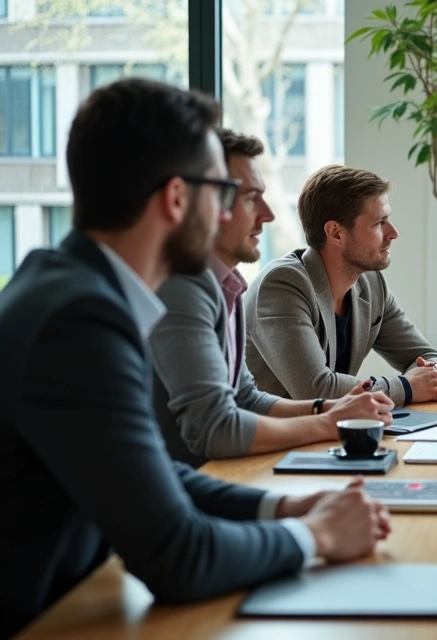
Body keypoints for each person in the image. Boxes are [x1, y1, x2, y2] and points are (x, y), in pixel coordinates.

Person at [0, 78, 390, 637]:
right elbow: (177, 556)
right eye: (222, 192)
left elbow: (159, 478)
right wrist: (319, 536)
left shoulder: (70, 289)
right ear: (177, 198)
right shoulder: (81, 323)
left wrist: (289, 510)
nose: (245, 212)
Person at [149, 129, 395, 467]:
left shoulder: (227, 286)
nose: (268, 214)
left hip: (220, 476)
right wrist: (326, 421)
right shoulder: (181, 289)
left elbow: (246, 399)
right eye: (251, 198)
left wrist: (330, 408)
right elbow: (214, 429)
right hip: (197, 485)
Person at [244, 165, 437, 407]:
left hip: (328, 435)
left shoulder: (371, 283)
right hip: (269, 439)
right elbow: (316, 389)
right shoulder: (282, 286)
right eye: (379, 223)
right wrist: (408, 387)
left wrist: (434, 376)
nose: (393, 233)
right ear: (335, 233)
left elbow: (425, 356)